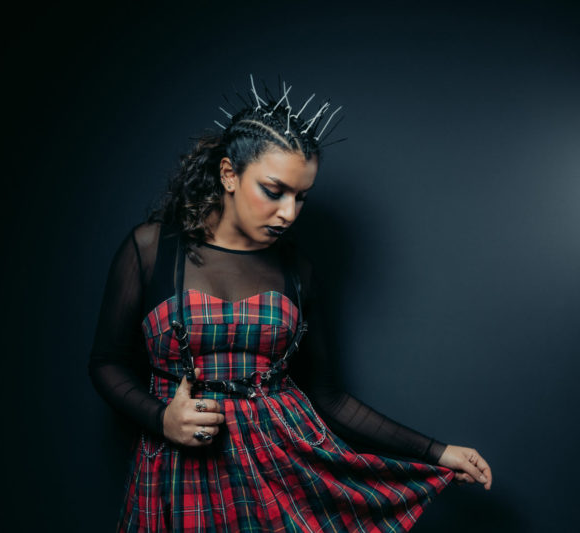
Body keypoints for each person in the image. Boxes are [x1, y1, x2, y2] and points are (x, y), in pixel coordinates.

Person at [89, 75, 493, 532]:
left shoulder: (297, 270)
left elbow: (329, 396)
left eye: (301, 197)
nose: (289, 213)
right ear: (228, 175)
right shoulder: (150, 251)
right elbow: (106, 362)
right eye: (274, 190)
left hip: (283, 469)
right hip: (178, 472)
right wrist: (161, 418)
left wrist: (437, 451)